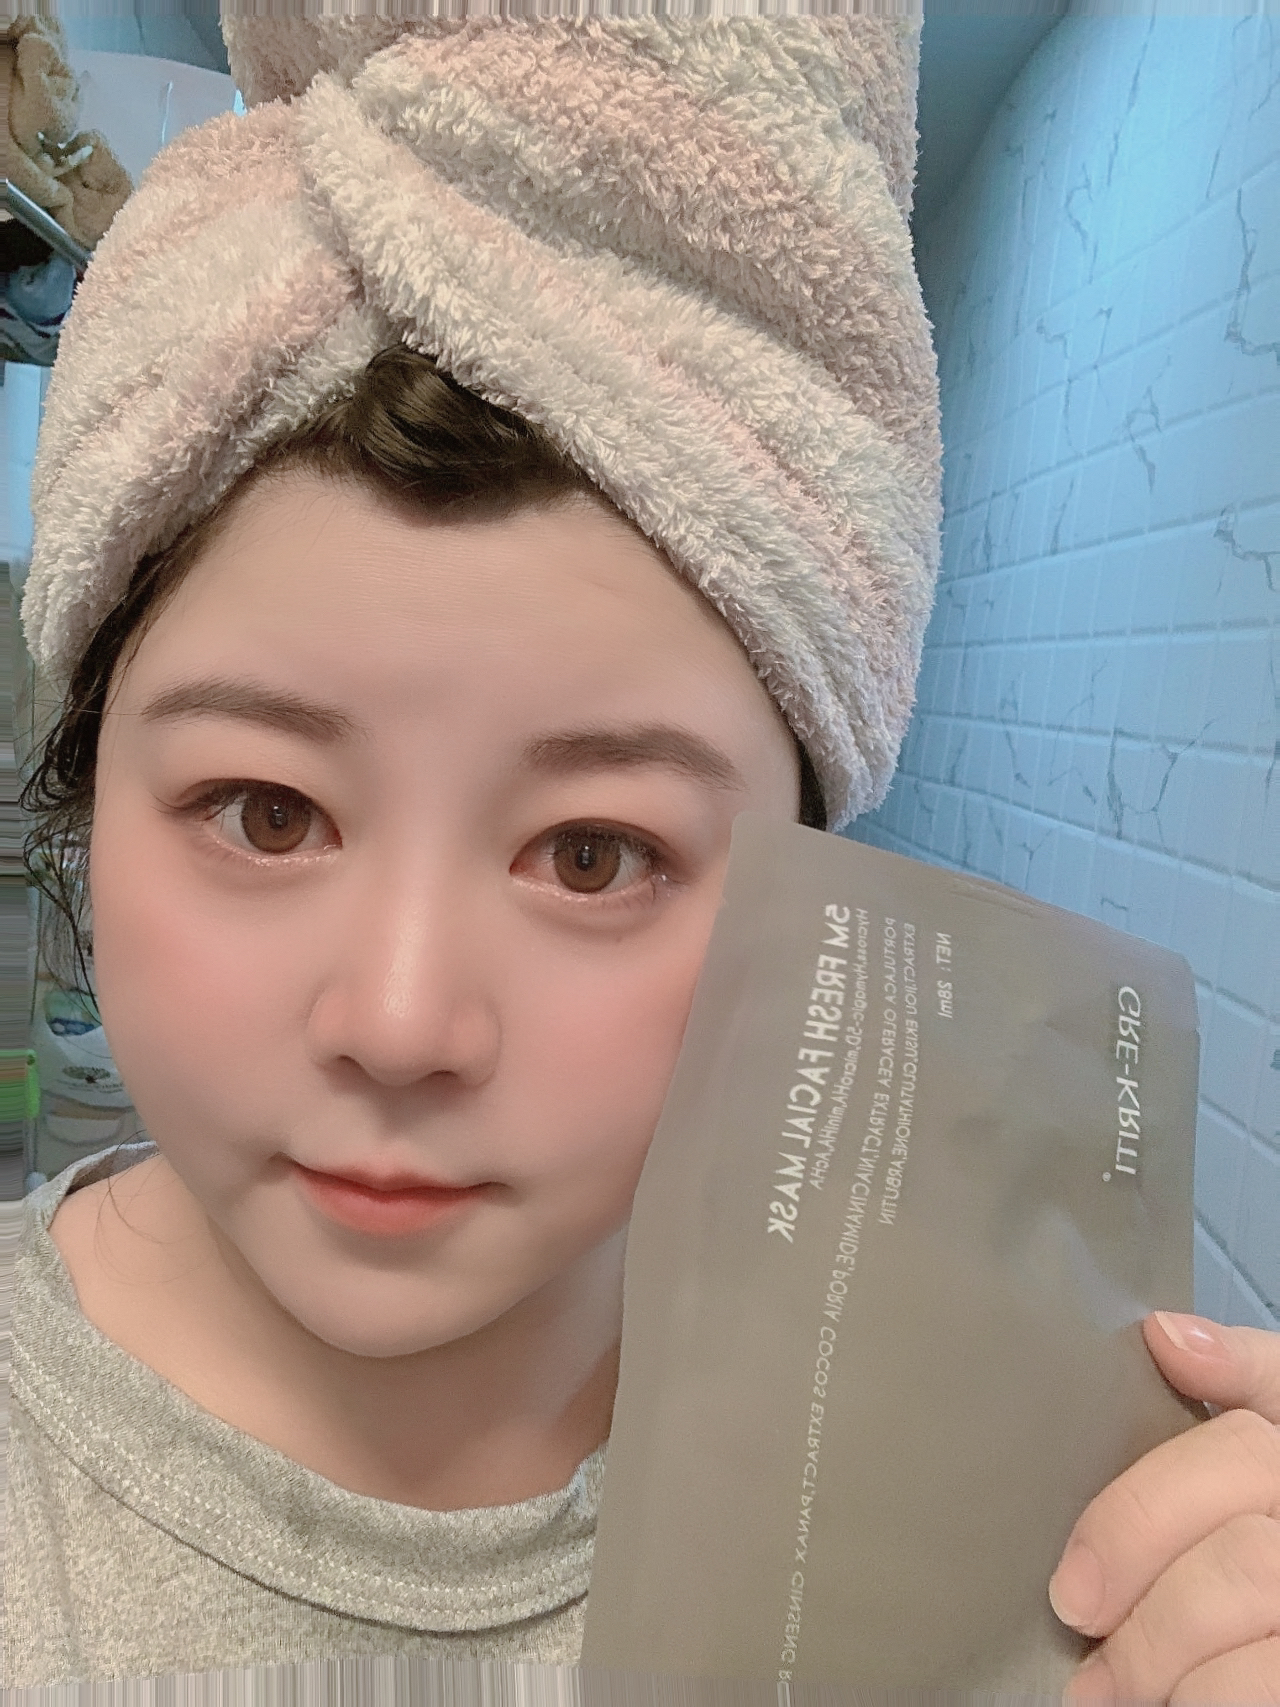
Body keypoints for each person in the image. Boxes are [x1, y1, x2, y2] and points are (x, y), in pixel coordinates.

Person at [8, 13, 1279, 1699]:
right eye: (269, 814)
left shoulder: (1015, 1544)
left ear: (808, 900)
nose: (399, 1023)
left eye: (594, 855)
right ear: (85, 795)